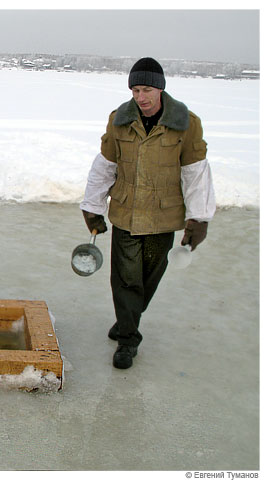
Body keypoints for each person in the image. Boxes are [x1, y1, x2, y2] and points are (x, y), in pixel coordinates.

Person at [80, 57, 216, 369]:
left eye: (147, 90)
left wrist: (199, 218)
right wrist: (93, 207)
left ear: (160, 89)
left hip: (163, 217)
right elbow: (105, 168)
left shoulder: (187, 123)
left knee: (148, 281)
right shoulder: (119, 120)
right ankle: (128, 340)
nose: (141, 97)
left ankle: (126, 319)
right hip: (126, 214)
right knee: (126, 281)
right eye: (135, 90)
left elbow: (195, 173)